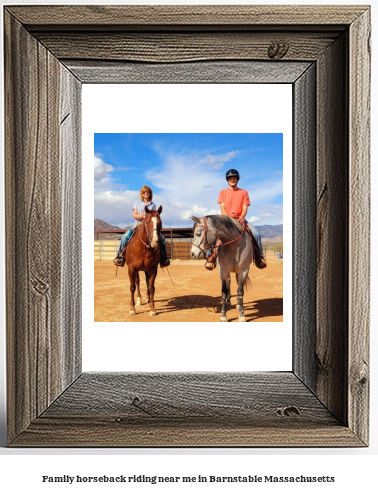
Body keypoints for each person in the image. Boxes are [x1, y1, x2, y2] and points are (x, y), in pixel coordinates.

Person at [205, 169, 267, 270]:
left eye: (234, 178)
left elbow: (245, 207)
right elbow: (222, 207)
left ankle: (259, 258)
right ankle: (210, 258)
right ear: (227, 180)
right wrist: (227, 219)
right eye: (230, 178)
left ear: (237, 179)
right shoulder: (223, 192)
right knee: (213, 233)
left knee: (256, 234)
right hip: (226, 220)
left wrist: (242, 217)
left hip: (240, 220)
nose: (232, 180)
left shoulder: (244, 192)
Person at [113, 185, 170, 268]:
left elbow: (154, 215)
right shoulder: (137, 203)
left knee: (162, 238)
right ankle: (120, 257)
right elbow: (134, 215)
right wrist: (141, 216)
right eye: (145, 192)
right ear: (142, 194)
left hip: (149, 226)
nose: (146, 193)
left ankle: (164, 259)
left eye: (148, 192)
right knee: (124, 237)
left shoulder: (153, 205)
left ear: (150, 194)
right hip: (138, 224)